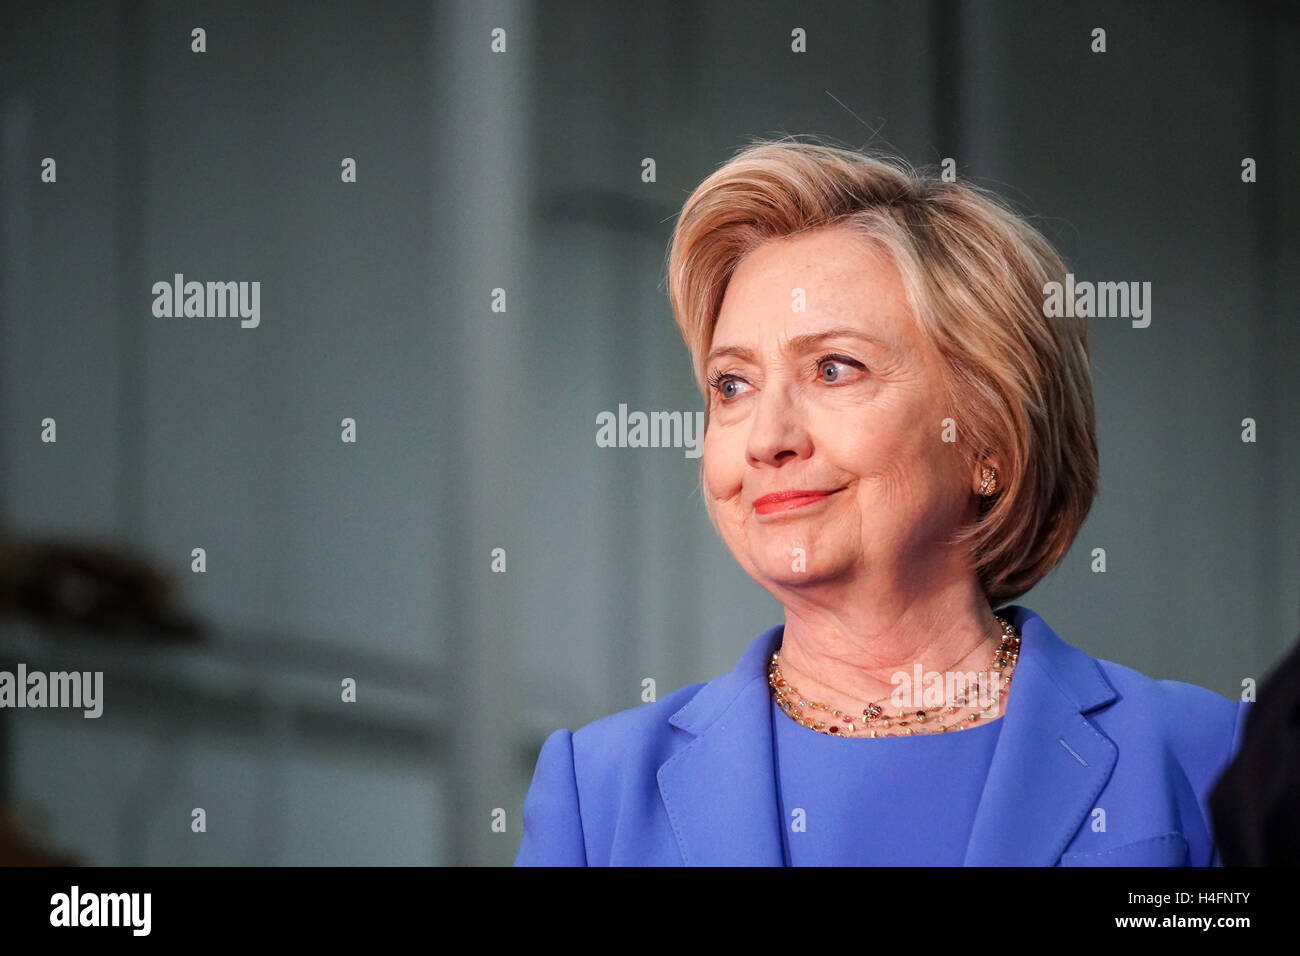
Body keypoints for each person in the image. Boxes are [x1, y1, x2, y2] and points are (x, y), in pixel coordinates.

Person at [515, 137, 1251, 866]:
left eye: (834, 369)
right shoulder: (598, 793)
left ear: (987, 440)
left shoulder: (1203, 757)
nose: (767, 438)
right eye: (732, 386)